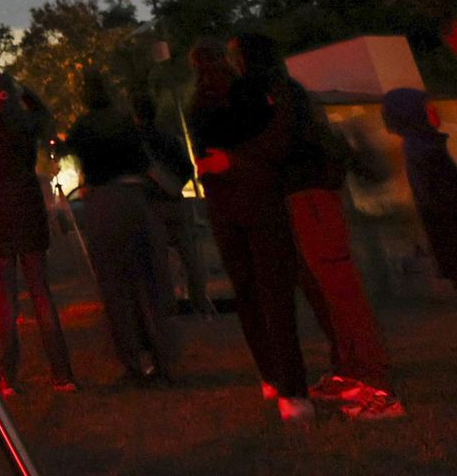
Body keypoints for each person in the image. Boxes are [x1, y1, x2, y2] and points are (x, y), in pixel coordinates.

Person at [228, 33, 403, 421]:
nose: (234, 65)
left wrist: (237, 158)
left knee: (340, 289)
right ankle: (351, 370)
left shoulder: (281, 93)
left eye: (237, 57)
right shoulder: (281, 92)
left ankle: (379, 386)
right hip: (298, 196)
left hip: (311, 195)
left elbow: (284, 142)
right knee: (322, 289)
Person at [187, 40, 312, 423]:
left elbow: (205, 158)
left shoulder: (197, 107)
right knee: (274, 293)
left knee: (247, 293)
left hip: (224, 207)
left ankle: (270, 376)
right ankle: (292, 390)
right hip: (258, 200)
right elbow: (271, 145)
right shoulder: (250, 94)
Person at [0, 73, 77, 396]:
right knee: (41, 292)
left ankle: (7, 376)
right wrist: (26, 91)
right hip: (27, 206)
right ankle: (62, 374)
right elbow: (45, 113)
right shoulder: (29, 122)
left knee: (6, 297)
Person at [65, 73, 176, 384]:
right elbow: (144, 160)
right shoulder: (124, 120)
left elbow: (66, 152)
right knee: (147, 280)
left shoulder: (83, 126)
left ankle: (132, 363)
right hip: (134, 200)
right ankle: (162, 358)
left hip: (103, 204)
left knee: (116, 288)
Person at [131, 92, 213, 316]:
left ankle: (167, 308)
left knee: (158, 260)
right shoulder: (168, 138)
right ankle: (200, 302)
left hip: (151, 205)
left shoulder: (136, 142)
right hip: (175, 201)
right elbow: (187, 168)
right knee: (190, 256)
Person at [382, 87, 457, 288]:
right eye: (427, 108)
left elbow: (430, 196)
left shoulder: (420, 146)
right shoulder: (425, 145)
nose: (432, 111)